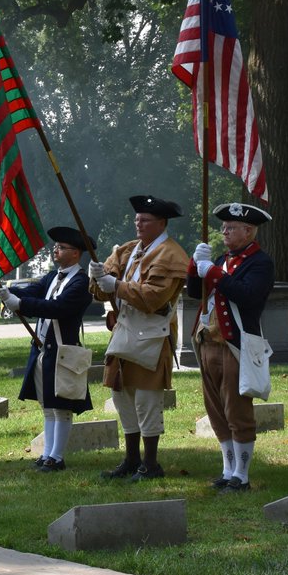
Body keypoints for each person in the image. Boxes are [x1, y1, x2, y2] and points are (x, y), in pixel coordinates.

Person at [90, 195, 189, 482]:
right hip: (123, 334)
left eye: (145, 220)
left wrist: (116, 286)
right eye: (137, 219)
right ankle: (131, 460)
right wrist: (97, 278)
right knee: (121, 395)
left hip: (152, 338)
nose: (138, 224)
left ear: (161, 223)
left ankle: (151, 463)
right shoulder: (128, 250)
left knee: (147, 401)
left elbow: (152, 298)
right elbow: (102, 290)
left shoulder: (171, 255)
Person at [187, 203, 275, 493]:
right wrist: (194, 267)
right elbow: (193, 292)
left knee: (236, 411)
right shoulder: (223, 260)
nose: (224, 231)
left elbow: (246, 296)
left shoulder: (259, 263)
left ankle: (242, 475)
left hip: (234, 346)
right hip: (208, 343)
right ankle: (227, 470)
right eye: (223, 226)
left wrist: (212, 272)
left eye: (231, 227)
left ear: (248, 231)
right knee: (216, 412)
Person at [0, 227, 94, 472]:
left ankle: (57, 457)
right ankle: (47, 454)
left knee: (62, 407)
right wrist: (9, 292)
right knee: (48, 406)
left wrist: (20, 303)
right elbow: (34, 292)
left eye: (61, 247)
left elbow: (58, 307)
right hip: (44, 351)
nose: (56, 250)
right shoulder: (53, 276)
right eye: (56, 246)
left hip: (63, 351)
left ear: (76, 254)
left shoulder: (81, 282)